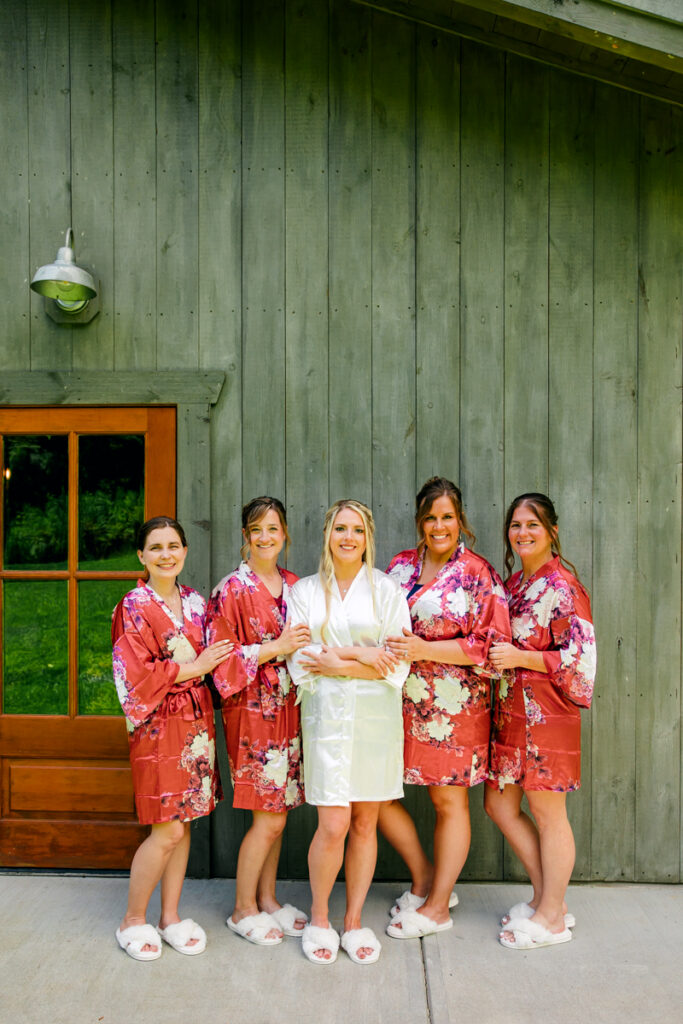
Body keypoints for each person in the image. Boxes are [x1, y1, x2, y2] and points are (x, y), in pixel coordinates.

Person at [380, 477, 511, 939]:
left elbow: (490, 646)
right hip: (395, 701)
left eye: (447, 517)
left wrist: (423, 650)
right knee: (376, 795)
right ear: (420, 521)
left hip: (454, 707)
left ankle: (437, 908)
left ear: (461, 521)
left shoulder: (478, 573)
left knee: (447, 800)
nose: (439, 525)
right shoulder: (399, 567)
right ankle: (426, 880)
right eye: (430, 517)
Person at [286, 499, 411, 965]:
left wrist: (337, 659)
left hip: (376, 721)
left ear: (368, 537)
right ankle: (320, 916)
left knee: (364, 823)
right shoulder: (304, 592)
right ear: (327, 534)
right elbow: (302, 659)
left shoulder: (386, 591)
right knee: (333, 823)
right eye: (340, 528)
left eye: (357, 530)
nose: (348, 537)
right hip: (325, 720)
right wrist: (363, 656)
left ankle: (354, 921)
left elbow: (397, 662)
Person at [112, 516, 233, 961]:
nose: (166, 554)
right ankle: (132, 919)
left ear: (184, 551)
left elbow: (222, 656)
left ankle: (170, 917)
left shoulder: (197, 603)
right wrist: (195, 668)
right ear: (141, 556)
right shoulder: (133, 605)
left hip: (196, 727)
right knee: (165, 830)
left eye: (174, 545)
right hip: (158, 726)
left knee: (183, 829)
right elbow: (135, 676)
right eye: (156, 547)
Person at [486, 493, 596, 951]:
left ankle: (551, 916)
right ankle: (547, 898)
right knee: (500, 806)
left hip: (548, 714)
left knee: (549, 815)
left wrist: (520, 656)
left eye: (532, 524)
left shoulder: (564, 586)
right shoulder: (513, 584)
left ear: (551, 530)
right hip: (511, 714)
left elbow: (581, 660)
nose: (523, 533)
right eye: (515, 525)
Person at [205, 496, 311, 946]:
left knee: (279, 814)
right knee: (267, 818)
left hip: (291, 711)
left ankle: (267, 900)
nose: (265, 537)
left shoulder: (295, 585)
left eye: (273, 529)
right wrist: (276, 647)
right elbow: (220, 663)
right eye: (256, 530)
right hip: (251, 714)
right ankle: (242, 909)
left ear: (284, 534)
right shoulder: (230, 589)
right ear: (245, 537)